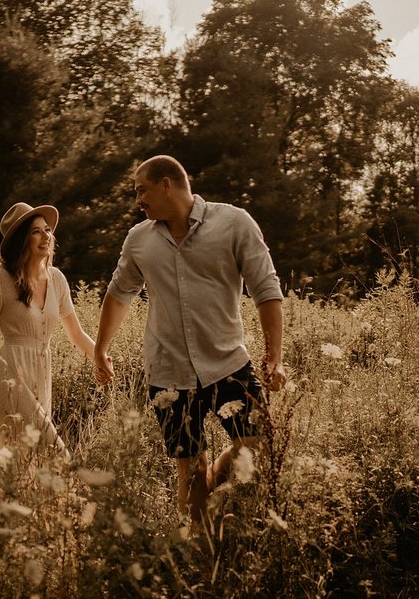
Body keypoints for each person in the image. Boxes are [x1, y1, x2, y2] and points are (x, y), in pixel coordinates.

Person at [93, 155, 286, 531]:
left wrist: (274, 357)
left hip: (228, 362)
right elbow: (118, 295)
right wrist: (101, 348)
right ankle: (197, 549)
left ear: (167, 184)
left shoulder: (233, 223)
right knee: (189, 469)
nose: (138, 202)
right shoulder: (139, 240)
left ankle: (215, 483)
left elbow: (266, 289)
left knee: (260, 446)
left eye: (141, 191)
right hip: (169, 372)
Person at [0, 202, 100, 478]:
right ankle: (78, 498)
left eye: (47, 230)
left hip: (41, 373)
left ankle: (15, 515)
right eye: (37, 232)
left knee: (25, 458)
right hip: (11, 375)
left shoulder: (57, 279)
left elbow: (76, 334)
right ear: (22, 241)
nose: (46, 236)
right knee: (55, 450)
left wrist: (102, 357)